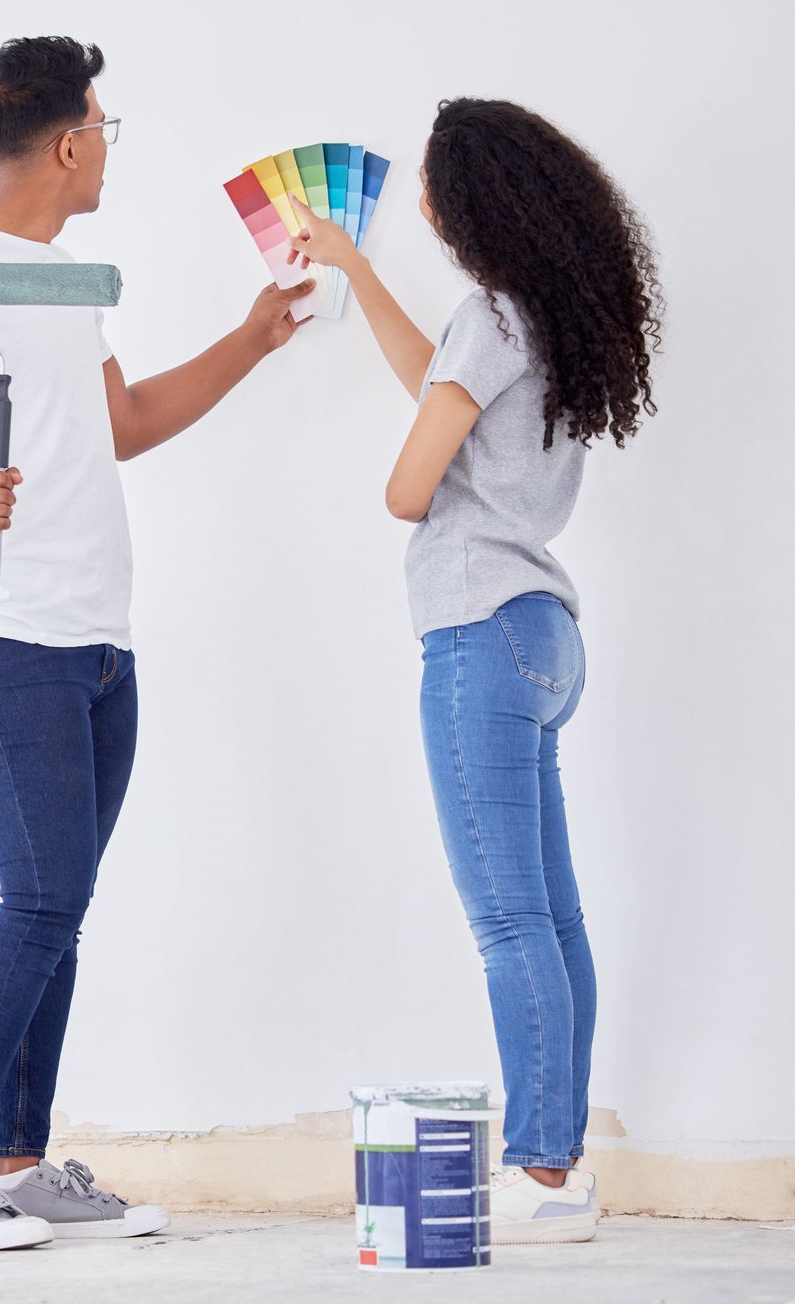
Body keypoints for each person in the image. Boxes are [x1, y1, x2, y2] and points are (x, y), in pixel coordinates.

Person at [0, 35, 314, 1250]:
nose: (109, 146)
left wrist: (251, 339)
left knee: (58, 902)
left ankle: (10, 1161)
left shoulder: (57, 279)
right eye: (105, 128)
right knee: (44, 892)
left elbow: (120, 421)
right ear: (69, 142)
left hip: (93, 641)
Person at [289, 97, 662, 1244]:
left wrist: (416, 477)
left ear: (471, 204)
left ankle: (541, 1174)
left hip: (476, 629)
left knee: (508, 922)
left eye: (439, 191)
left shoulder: (490, 319)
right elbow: (436, 377)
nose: (432, 207)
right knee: (551, 915)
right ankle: (562, 1165)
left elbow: (409, 488)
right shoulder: (539, 319)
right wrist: (352, 260)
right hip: (543, 632)